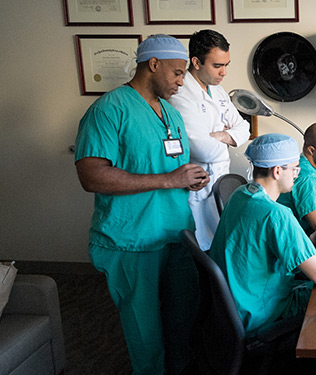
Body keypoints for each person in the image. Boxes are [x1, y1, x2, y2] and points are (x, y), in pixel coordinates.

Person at [74, 34, 208, 375]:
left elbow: (169, 164)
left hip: (175, 234)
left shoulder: (170, 113)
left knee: (182, 319)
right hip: (132, 240)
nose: (182, 81)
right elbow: (91, 176)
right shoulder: (109, 110)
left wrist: (190, 177)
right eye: (178, 73)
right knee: (144, 329)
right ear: (153, 65)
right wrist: (169, 180)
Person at [208, 133, 316, 337]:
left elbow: (260, 246)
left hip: (233, 308)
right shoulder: (276, 214)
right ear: (277, 171)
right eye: (295, 168)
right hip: (261, 315)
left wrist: (309, 242)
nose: (297, 173)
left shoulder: (240, 195)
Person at [168, 29, 251, 251]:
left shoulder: (219, 91)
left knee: (219, 246)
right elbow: (203, 150)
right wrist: (229, 139)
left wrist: (221, 135)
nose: (224, 72)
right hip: (197, 188)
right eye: (217, 66)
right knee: (200, 250)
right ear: (196, 62)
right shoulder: (181, 94)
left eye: (227, 65)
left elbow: (245, 127)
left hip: (220, 181)